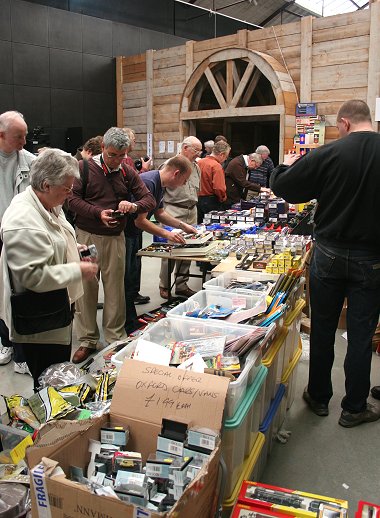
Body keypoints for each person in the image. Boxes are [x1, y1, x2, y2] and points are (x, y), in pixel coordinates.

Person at [270, 99, 380, 428]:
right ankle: (355, 407)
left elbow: (283, 188)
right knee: (361, 336)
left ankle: (318, 397)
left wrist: (286, 165)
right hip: (372, 259)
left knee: (323, 329)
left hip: (329, 254)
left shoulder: (330, 153)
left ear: (344, 123)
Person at [0, 149, 98, 389]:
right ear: (46, 184)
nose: (70, 193)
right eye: (66, 188)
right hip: (40, 318)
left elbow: (53, 235)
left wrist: (72, 248)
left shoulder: (47, 202)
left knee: (58, 373)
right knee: (48, 378)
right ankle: (49, 421)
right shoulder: (23, 220)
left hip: (55, 307)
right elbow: (33, 276)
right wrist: (77, 270)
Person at [68, 127, 155, 364]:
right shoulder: (83, 168)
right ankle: (87, 340)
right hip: (87, 237)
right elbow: (71, 199)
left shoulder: (126, 171)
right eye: (113, 155)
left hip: (115, 239)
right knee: (86, 289)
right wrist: (98, 213)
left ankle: (114, 339)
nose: (117, 160)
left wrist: (133, 206)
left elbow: (149, 199)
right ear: (103, 147)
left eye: (122, 155)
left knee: (115, 289)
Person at [124, 155, 196, 333]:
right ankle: (129, 324)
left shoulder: (158, 183)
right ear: (176, 173)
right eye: (184, 180)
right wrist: (167, 234)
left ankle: (131, 321)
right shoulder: (149, 182)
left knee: (131, 278)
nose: (183, 185)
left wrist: (182, 226)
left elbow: (160, 213)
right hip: (125, 234)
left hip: (133, 234)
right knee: (125, 280)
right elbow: (139, 221)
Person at [0, 110, 36, 375]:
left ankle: (22, 352)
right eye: (19, 137)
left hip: (19, 236)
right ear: (1, 136)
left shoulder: (31, 162)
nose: (25, 141)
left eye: (25, 135)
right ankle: (5, 343)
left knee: (20, 294)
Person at [158, 136, 202, 299]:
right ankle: (164, 285)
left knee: (189, 248)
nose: (198, 154)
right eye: (196, 150)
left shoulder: (197, 167)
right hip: (173, 210)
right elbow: (160, 190)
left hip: (191, 210)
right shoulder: (170, 164)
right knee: (170, 249)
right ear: (185, 148)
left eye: (200, 150)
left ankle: (181, 284)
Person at [122, 127, 152, 306]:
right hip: (131, 219)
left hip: (131, 215)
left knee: (133, 257)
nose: (134, 143)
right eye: (133, 140)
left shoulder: (124, 161)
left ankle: (132, 292)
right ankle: (131, 294)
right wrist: (144, 171)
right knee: (132, 258)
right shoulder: (125, 161)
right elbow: (132, 189)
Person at [197, 140, 230, 223]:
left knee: (200, 226)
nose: (226, 159)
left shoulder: (199, 162)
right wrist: (222, 198)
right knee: (212, 228)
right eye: (226, 156)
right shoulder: (216, 166)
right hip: (211, 201)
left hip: (197, 200)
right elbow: (219, 188)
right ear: (222, 154)